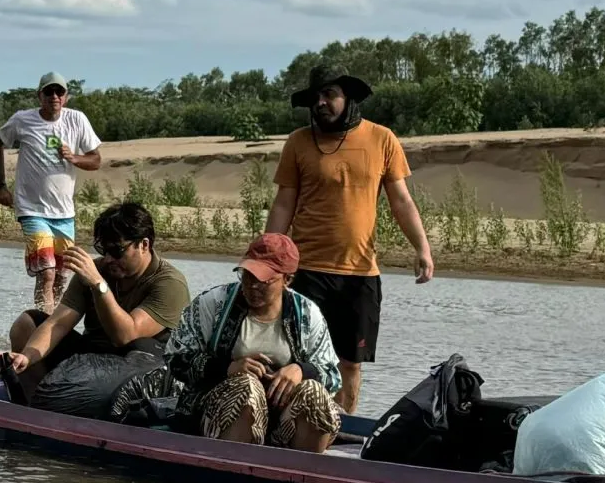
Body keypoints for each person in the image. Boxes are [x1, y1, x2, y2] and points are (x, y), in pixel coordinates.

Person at [267, 65, 435, 414]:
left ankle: (341, 428)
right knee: (300, 359)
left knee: (350, 364)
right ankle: (298, 426)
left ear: (349, 97)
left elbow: (401, 200)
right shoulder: (298, 142)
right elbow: (284, 202)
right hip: (306, 271)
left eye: (329, 95)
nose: (321, 103)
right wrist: (267, 254)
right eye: (316, 97)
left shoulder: (382, 139)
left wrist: (422, 248)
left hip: (360, 274)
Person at [157, 234, 344, 451]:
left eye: (264, 280)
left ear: (287, 279)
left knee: (315, 393)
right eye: (248, 275)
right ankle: (234, 467)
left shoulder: (307, 314)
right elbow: (175, 358)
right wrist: (228, 368)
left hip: (281, 423)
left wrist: (302, 370)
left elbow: (333, 376)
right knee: (246, 387)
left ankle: (305, 472)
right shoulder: (213, 303)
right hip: (216, 415)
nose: (253, 286)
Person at [0, 201, 189, 412]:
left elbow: (126, 335)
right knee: (27, 324)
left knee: (140, 345)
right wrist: (28, 356)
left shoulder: (169, 283)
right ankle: (36, 408)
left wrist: (99, 285)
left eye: (116, 251)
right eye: (102, 250)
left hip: (142, 364)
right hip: (92, 359)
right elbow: (58, 324)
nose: (108, 259)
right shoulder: (95, 271)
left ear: (144, 245)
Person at [0, 72, 102, 313]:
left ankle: (52, 323)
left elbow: (95, 160)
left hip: (64, 213)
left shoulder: (77, 120)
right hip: (31, 209)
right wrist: (1, 186)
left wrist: (74, 157)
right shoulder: (22, 120)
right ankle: (43, 321)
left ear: (66, 97)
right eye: (48, 92)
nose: (54, 96)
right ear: (39, 95)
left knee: (62, 275)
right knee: (47, 272)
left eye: (59, 92)